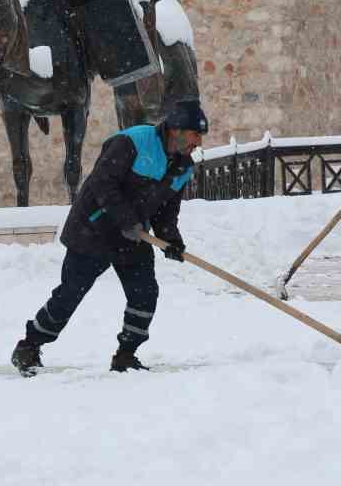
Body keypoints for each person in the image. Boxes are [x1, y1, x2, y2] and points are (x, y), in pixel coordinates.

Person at [12, 99, 209, 375]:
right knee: (71, 293)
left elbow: (166, 211)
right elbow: (103, 183)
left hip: (133, 237)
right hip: (93, 230)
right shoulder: (133, 142)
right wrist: (126, 219)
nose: (198, 142)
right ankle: (29, 345)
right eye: (195, 134)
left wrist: (170, 240)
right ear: (176, 129)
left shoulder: (183, 166)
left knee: (145, 293)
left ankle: (126, 356)